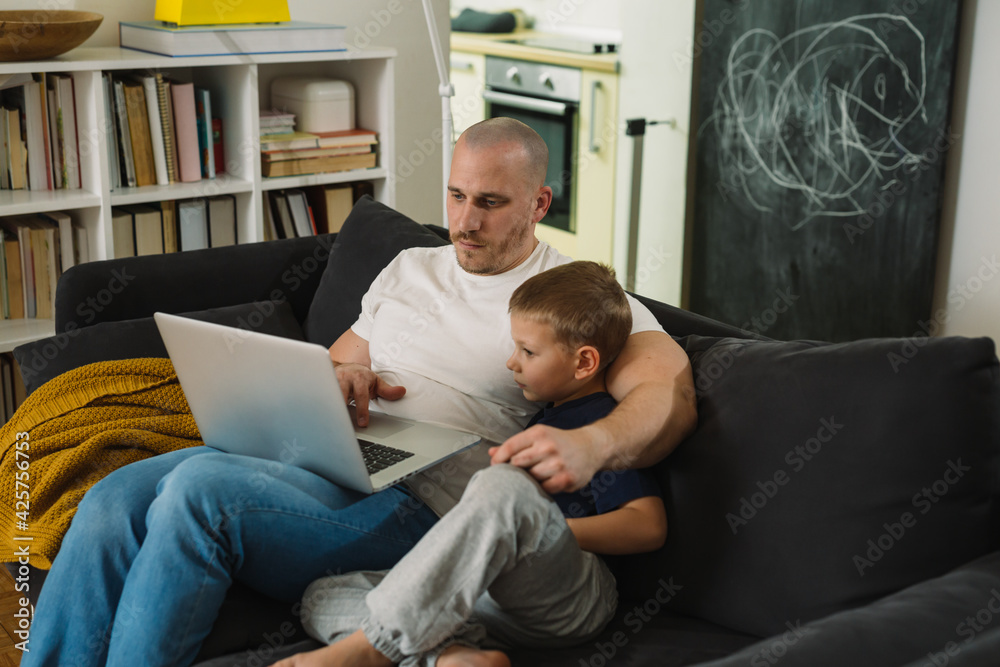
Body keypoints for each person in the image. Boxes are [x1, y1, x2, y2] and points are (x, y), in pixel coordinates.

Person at [22, 117, 696, 667]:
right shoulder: (410, 266)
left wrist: (594, 443)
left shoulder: (570, 294)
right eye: (457, 196)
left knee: (201, 492)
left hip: (425, 497)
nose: (464, 222)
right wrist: (341, 376)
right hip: (339, 450)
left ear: (539, 202)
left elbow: (669, 387)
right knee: (113, 497)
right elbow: (337, 359)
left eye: (490, 203)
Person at [270, 261, 668, 667]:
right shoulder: (540, 418)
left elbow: (647, 525)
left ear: (584, 363)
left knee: (502, 486)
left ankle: (375, 649)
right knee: (322, 595)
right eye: (514, 347)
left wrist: (530, 531)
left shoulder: (601, 426)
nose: (511, 363)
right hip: (497, 601)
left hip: (574, 595)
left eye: (528, 352)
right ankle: (450, 658)